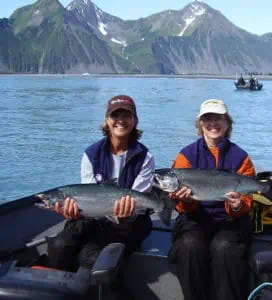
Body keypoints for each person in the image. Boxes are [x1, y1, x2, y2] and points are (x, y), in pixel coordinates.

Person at [47, 95, 155, 274]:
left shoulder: (146, 157)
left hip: (130, 223)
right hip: (94, 218)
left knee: (89, 256)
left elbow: (138, 197)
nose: (120, 120)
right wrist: (75, 213)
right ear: (107, 120)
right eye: (115, 116)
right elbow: (88, 195)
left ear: (135, 121)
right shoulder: (91, 154)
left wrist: (126, 216)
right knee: (59, 244)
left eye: (126, 116)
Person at [168, 99, 255, 300]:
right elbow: (182, 207)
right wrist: (186, 201)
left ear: (227, 123)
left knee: (224, 248)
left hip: (230, 222)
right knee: (189, 246)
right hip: (195, 220)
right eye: (208, 119)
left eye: (219, 119)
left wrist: (237, 206)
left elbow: (247, 202)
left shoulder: (241, 158)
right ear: (200, 125)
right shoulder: (186, 156)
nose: (213, 124)